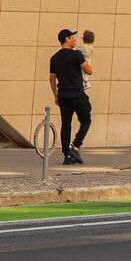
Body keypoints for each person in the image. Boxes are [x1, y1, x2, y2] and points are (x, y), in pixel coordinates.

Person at [50, 28, 94, 164]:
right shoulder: (76, 55)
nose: (74, 39)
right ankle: (75, 145)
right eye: (72, 37)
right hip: (77, 94)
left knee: (66, 124)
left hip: (63, 96)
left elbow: (52, 79)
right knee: (86, 120)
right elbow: (89, 70)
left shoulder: (55, 58)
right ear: (67, 39)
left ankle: (66, 155)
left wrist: (56, 95)